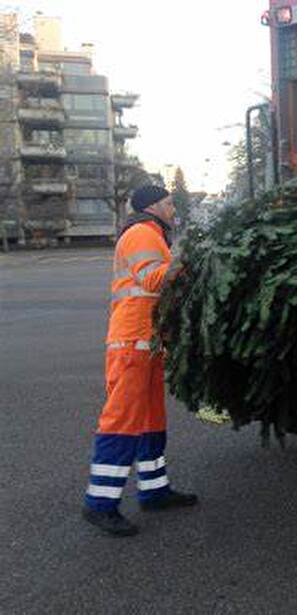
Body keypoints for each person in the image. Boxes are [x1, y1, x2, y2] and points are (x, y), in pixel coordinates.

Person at [82, 185, 197, 537]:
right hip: (132, 340)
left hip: (146, 340)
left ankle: (154, 489)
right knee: (122, 419)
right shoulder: (142, 233)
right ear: (152, 206)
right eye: (168, 203)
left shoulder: (152, 233)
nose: (173, 208)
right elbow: (154, 278)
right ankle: (99, 504)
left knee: (150, 418)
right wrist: (193, 260)